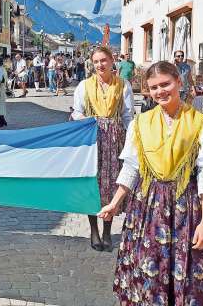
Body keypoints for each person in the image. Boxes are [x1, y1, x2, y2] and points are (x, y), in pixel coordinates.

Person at [98, 61, 203, 306]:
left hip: (184, 209)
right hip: (147, 208)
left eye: (165, 84)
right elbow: (132, 167)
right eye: (154, 87)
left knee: (186, 273)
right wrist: (114, 204)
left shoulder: (201, 124)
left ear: (179, 82)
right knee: (147, 270)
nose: (160, 92)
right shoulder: (140, 124)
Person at [72, 46, 134, 252]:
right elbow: (77, 113)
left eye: (104, 60)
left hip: (115, 141)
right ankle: (93, 230)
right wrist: (92, 122)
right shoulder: (84, 86)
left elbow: (127, 116)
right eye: (96, 61)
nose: (100, 65)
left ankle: (107, 230)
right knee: (93, 184)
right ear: (92, 63)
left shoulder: (123, 85)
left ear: (112, 61)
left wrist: (132, 140)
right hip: (92, 140)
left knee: (111, 185)